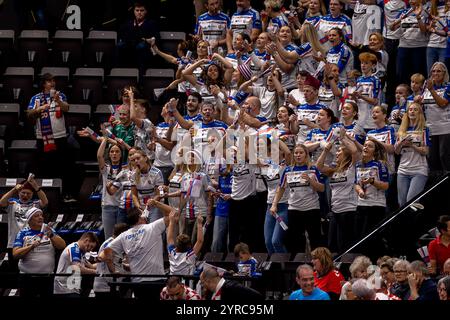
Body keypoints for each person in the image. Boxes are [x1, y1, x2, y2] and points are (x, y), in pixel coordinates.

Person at [98, 201, 173, 299]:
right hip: (156, 280)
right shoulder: (152, 227)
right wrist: (156, 203)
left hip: (137, 283)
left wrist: (114, 270)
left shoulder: (123, 236)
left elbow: (104, 255)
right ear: (140, 217)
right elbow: (173, 212)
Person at [26, 73, 76, 202]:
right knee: (43, 167)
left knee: (63, 167)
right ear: (43, 83)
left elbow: (67, 108)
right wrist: (40, 109)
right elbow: (29, 113)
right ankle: (44, 196)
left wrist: (58, 100)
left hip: (60, 137)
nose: (52, 83)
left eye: (53, 80)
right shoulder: (36, 98)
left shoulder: (60, 95)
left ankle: (66, 194)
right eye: (49, 81)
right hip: (42, 138)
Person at [271, 144, 325, 253]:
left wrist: (311, 181)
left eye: (301, 153)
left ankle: (317, 264)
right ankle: (299, 265)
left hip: (311, 209)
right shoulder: (288, 170)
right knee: (296, 240)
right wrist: (274, 204)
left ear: (306, 154)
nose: (298, 155)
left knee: (315, 239)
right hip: (294, 209)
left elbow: (322, 188)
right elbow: (281, 188)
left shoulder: (313, 169)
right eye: (296, 153)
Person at [316, 133, 359, 252]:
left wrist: (342, 137)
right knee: (332, 244)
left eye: (339, 151)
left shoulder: (352, 167)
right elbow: (319, 166)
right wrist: (325, 150)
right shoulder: (333, 170)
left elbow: (355, 151)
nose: (337, 153)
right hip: (335, 211)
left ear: (346, 154)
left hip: (349, 210)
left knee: (344, 245)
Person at [13, 207, 66, 297]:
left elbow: (62, 245)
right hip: (27, 279)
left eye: (41, 215)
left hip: (47, 278)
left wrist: (52, 235)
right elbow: (15, 254)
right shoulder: (23, 233)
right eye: (36, 216)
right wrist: (31, 246)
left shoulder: (48, 230)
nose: (40, 217)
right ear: (29, 220)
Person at [0, 177, 48, 268]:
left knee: (30, 269)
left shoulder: (35, 204)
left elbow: (45, 202)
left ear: (32, 194)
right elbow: (1, 202)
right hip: (13, 243)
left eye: (28, 193)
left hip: (31, 243)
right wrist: (14, 189)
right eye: (23, 193)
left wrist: (36, 187)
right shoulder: (12, 203)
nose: (25, 195)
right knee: (14, 270)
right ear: (19, 193)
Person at [395, 102, 430, 207]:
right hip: (403, 170)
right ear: (407, 113)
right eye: (410, 109)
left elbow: (426, 151)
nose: (412, 111)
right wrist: (401, 143)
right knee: (402, 204)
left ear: (420, 113)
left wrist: (412, 146)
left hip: (419, 170)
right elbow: (396, 152)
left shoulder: (424, 130)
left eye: (415, 109)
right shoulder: (402, 131)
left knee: (412, 203)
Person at [418, 62, 450, 175]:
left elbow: (443, 104)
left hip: (445, 128)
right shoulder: (426, 88)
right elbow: (421, 107)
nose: (435, 73)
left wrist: (432, 90)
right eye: (433, 71)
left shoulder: (448, 87)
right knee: (432, 159)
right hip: (430, 128)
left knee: (444, 156)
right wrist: (418, 102)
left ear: (444, 73)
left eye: (439, 71)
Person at [391, 0, 428, 84]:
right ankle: (404, 95)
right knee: (401, 74)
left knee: (418, 75)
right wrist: (399, 20)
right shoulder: (404, 12)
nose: (411, 1)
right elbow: (391, 28)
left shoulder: (426, 12)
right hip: (403, 46)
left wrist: (418, 17)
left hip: (420, 47)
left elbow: (424, 30)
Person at [117, 2, 159, 72]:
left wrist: (149, 40)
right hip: (129, 46)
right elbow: (122, 36)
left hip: (144, 47)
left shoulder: (151, 23)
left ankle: (141, 73)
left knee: (141, 46)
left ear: (146, 11)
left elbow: (156, 37)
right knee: (119, 45)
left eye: (142, 10)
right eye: (137, 10)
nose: (139, 13)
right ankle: (120, 71)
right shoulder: (128, 24)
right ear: (134, 12)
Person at [53, 232, 99, 297]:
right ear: (86, 241)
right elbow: (77, 268)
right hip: (65, 289)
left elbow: (91, 266)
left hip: (71, 289)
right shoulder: (75, 249)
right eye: (90, 246)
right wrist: (95, 272)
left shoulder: (81, 252)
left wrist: (103, 264)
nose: (90, 250)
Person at [97, 137, 125, 240]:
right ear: (109, 154)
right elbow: (99, 156)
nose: (114, 154)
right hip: (107, 207)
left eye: (117, 152)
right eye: (112, 152)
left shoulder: (125, 169)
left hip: (121, 207)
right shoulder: (106, 169)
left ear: (121, 154)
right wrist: (105, 139)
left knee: (120, 238)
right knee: (109, 238)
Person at [93, 223, 129, 298]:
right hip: (105, 287)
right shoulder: (111, 243)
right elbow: (108, 259)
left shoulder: (114, 243)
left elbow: (115, 261)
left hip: (111, 286)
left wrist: (124, 267)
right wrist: (114, 272)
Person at [351, 52, 381, 132]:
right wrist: (354, 97)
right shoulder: (359, 79)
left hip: (370, 118)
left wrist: (361, 96)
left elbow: (375, 101)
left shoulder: (376, 80)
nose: (363, 65)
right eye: (362, 63)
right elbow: (357, 100)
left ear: (373, 65)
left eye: (366, 63)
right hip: (359, 117)